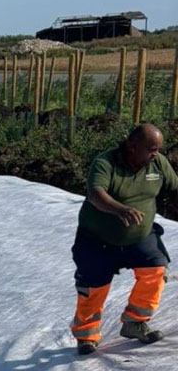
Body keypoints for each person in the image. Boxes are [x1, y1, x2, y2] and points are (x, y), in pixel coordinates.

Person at [71, 123, 178, 355]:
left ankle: (135, 322)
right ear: (132, 145)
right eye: (151, 149)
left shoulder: (157, 163)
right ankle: (87, 335)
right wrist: (120, 209)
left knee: (156, 270)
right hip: (98, 240)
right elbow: (96, 194)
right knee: (93, 286)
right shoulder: (105, 163)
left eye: (158, 149)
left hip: (140, 236)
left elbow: (175, 188)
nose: (156, 154)